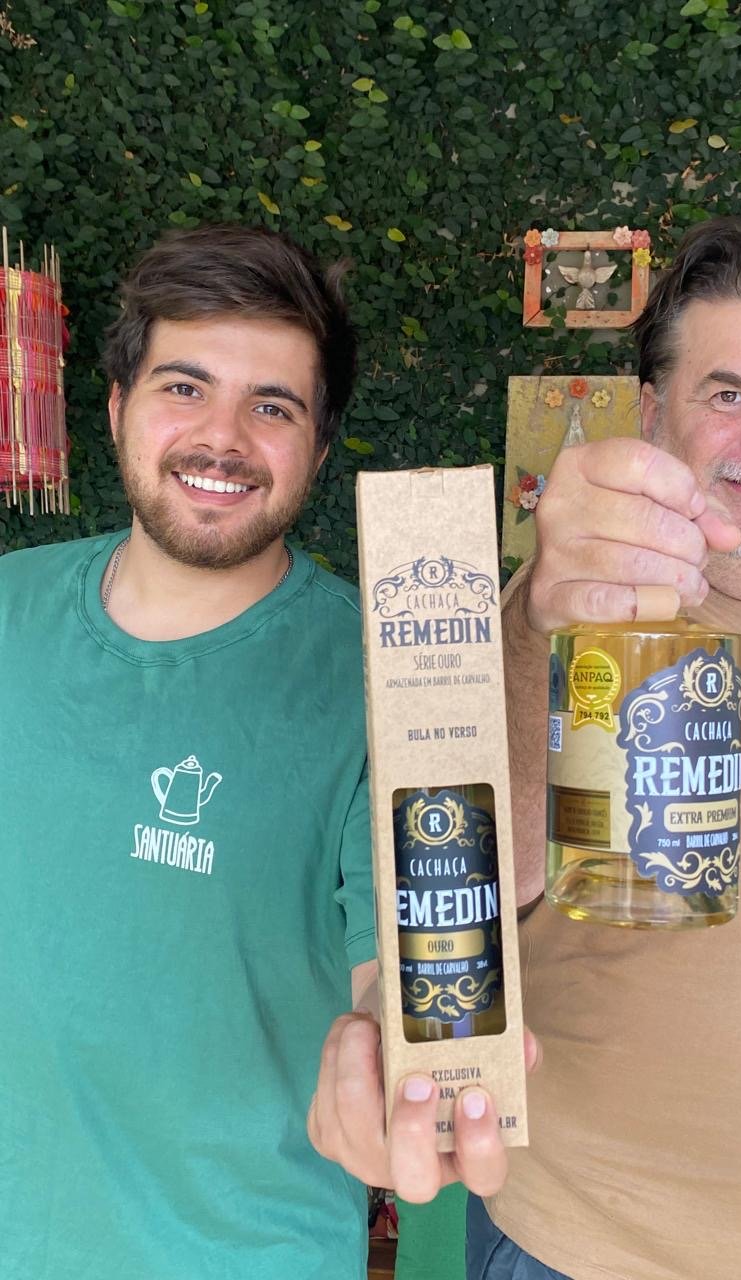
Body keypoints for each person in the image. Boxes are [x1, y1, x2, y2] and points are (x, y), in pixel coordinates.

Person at [313, 211, 741, 1279]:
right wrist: (539, 616)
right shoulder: (597, 615)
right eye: (727, 394)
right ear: (654, 413)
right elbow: (479, 870)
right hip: (609, 1253)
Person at [0, 224, 509, 1280]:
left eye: (272, 407)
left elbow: (403, 966)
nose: (221, 438)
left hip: (243, 1252)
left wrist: (400, 1074)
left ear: (317, 450)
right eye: (184, 387)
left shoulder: (394, 681)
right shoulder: (8, 609)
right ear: (117, 407)